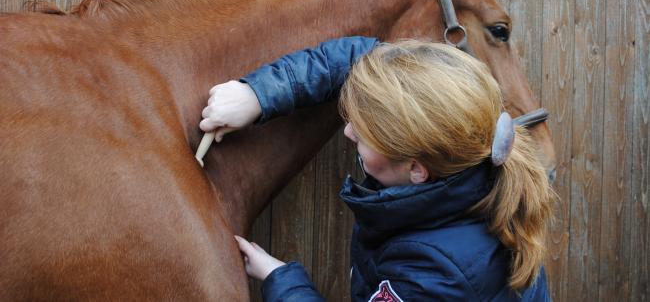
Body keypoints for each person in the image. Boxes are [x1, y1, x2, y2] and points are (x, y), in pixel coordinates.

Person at [199, 37, 554, 301]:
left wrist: (282, 281)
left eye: (366, 134)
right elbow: (369, 62)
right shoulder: (467, 149)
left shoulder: (435, 273)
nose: (349, 131)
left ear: (417, 169)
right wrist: (260, 94)